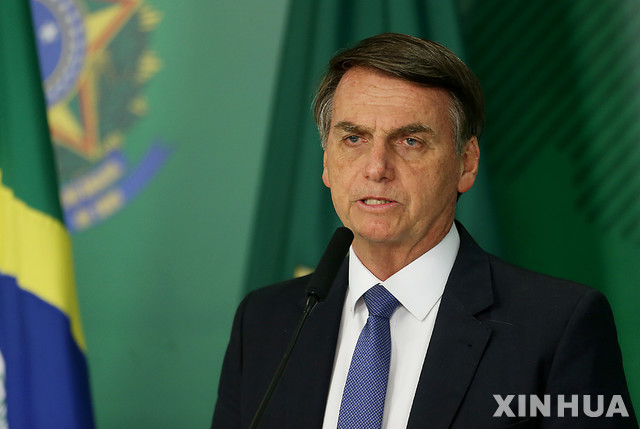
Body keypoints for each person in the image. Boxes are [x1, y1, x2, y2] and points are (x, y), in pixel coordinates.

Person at [211, 33, 637, 429]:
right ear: (326, 161)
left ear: (466, 163)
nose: (376, 168)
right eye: (354, 139)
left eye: (410, 141)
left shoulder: (557, 327)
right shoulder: (264, 322)